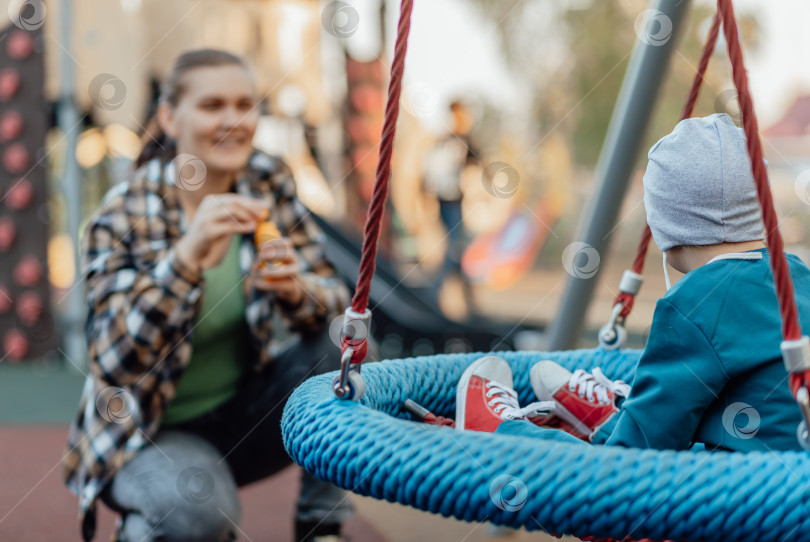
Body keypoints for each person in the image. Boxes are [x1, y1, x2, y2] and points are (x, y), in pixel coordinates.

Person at [62, 49, 353, 542]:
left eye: (245, 104)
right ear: (169, 117)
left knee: (344, 346)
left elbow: (336, 303)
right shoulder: (123, 213)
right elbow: (113, 364)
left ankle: (320, 528)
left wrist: (295, 289)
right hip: (146, 435)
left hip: (242, 419)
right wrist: (185, 260)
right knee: (196, 515)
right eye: (212, 105)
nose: (233, 121)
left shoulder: (267, 182)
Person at [456, 113, 810, 452]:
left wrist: (623, 435)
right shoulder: (796, 273)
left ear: (667, 230)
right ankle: (613, 415)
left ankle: (499, 431)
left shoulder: (696, 303)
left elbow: (637, 451)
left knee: (609, 465)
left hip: (746, 494)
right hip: (790, 466)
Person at [421, 100, 479, 311]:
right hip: (450, 202)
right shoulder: (450, 142)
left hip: (456, 202)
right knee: (453, 250)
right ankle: (433, 293)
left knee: (457, 252)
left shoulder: (462, 141)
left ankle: (469, 301)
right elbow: (435, 174)